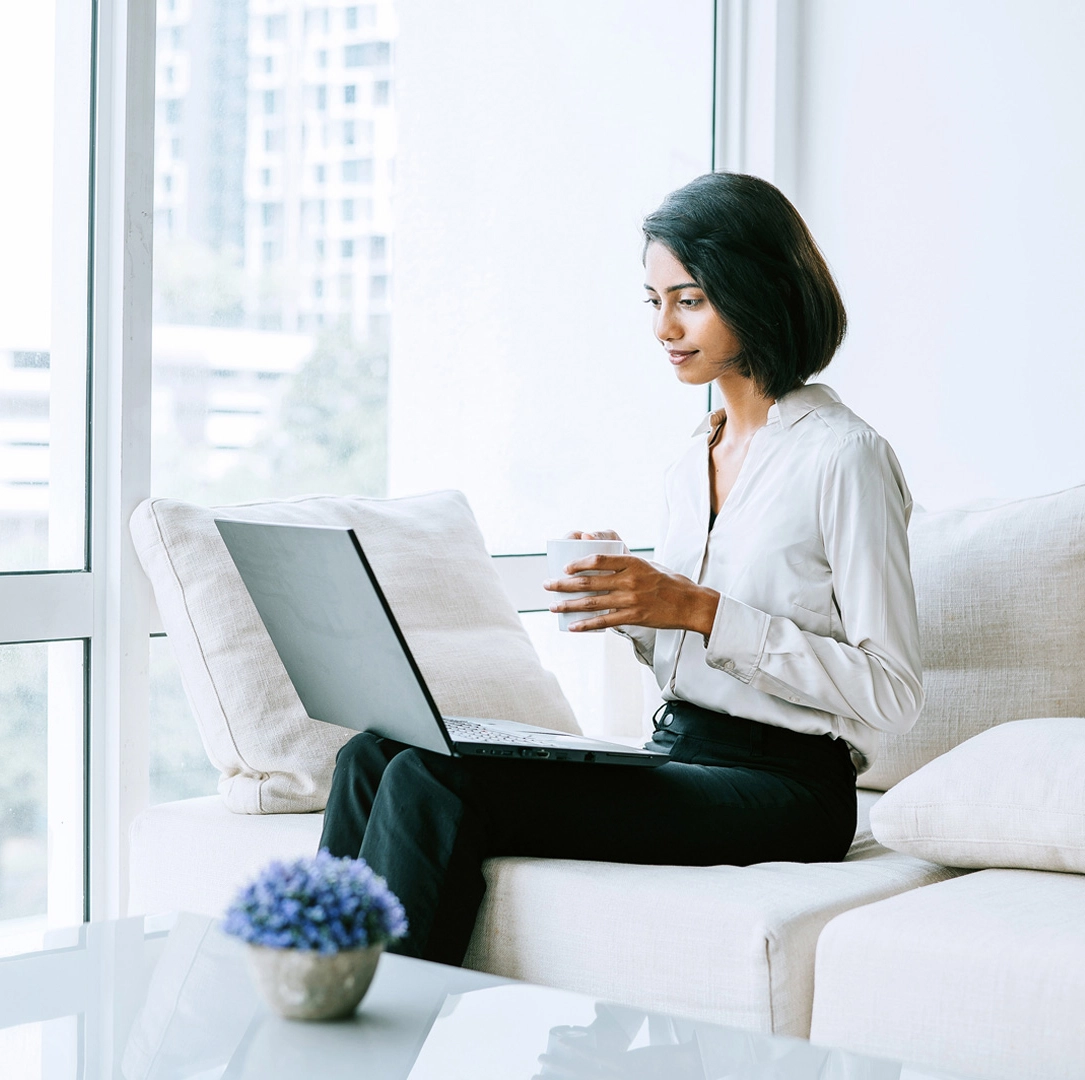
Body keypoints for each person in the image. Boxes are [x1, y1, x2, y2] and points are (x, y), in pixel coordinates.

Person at [319, 172, 924, 967]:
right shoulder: (690, 459)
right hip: (676, 748)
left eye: (690, 299)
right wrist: (635, 604)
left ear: (757, 290)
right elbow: (687, 650)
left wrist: (699, 609)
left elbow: (892, 692)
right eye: (653, 301)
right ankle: (312, 997)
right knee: (372, 754)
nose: (664, 327)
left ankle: (371, 1047)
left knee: (438, 784)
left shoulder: (845, 457)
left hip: (788, 790)